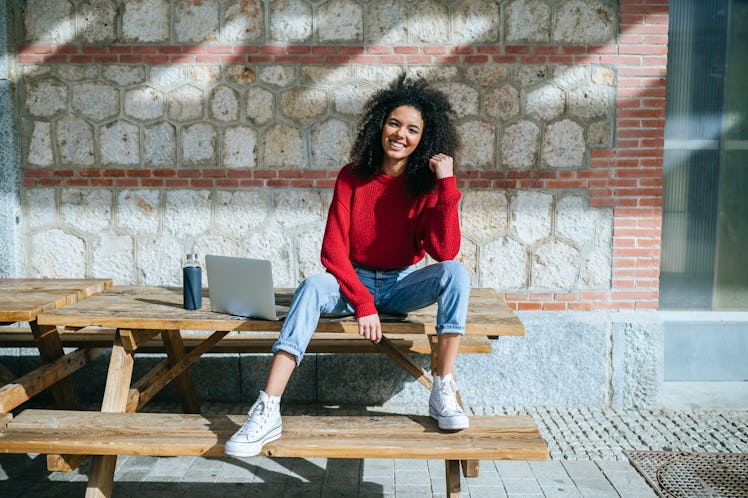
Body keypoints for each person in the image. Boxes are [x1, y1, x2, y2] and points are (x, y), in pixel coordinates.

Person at [225, 74, 472, 458]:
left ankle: (444, 388)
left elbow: (445, 251)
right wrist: (363, 302)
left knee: (457, 274)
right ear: (380, 125)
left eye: (412, 129)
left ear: (424, 138)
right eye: (394, 123)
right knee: (311, 285)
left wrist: (447, 187)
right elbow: (333, 252)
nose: (400, 135)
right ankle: (268, 408)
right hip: (351, 281)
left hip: (401, 285)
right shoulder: (352, 177)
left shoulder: (426, 186)